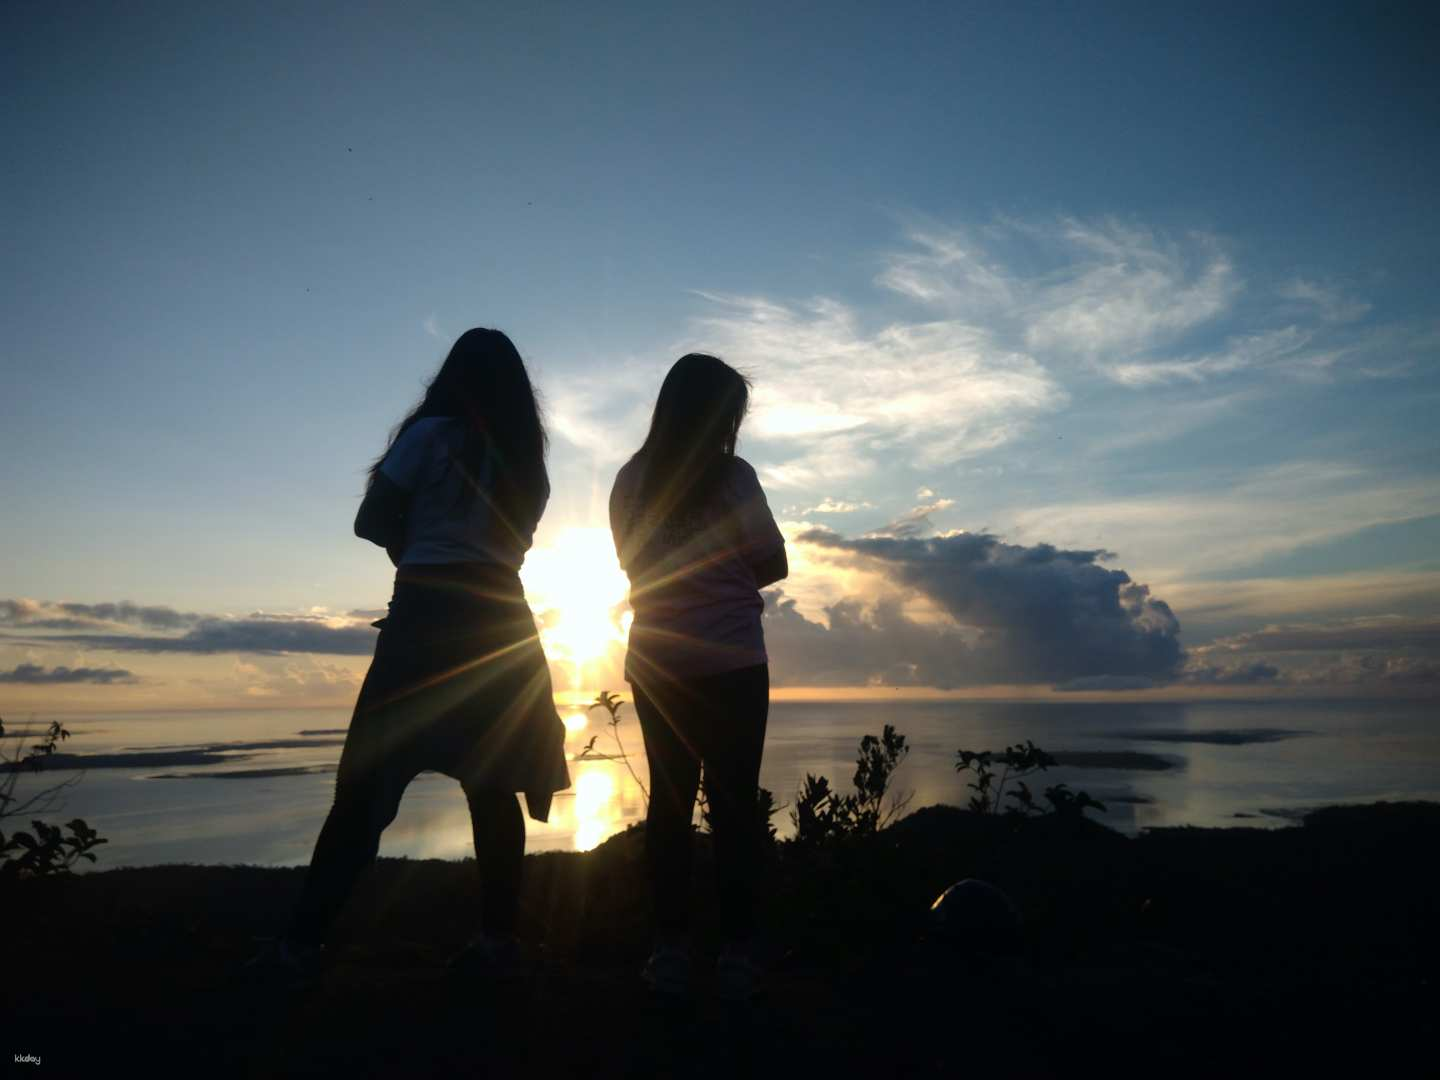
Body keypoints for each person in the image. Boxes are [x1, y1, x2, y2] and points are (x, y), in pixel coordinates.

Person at [247, 328, 568, 985]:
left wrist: (412, 547)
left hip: (425, 618)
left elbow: (371, 521)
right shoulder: (528, 463)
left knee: (365, 791)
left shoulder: (429, 439)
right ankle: (497, 943)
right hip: (501, 624)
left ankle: (300, 946)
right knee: (493, 788)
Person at [608, 352, 787, 1001]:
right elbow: (775, 561)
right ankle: (738, 954)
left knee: (671, 803)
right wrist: (726, 577)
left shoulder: (630, 480)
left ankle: (670, 952)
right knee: (736, 806)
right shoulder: (734, 478)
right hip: (734, 659)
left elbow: (632, 566)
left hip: (659, 663)